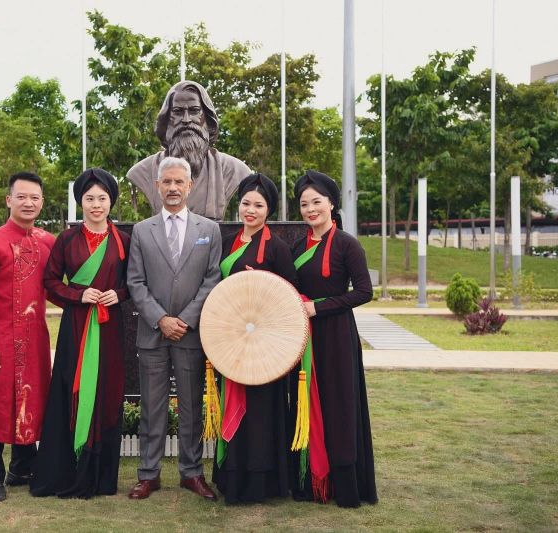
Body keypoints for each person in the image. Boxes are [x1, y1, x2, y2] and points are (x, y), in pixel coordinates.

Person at [30, 168, 130, 499]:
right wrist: (78, 295)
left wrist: (120, 294)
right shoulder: (67, 239)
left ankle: (100, 478)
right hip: (76, 329)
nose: (96, 205)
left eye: (102, 198)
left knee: (106, 392)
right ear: (80, 202)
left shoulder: (123, 241)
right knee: (70, 391)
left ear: (111, 202)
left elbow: (134, 283)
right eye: (89, 199)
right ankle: (67, 471)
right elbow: (50, 282)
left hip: (110, 330)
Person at [126, 156, 222, 500]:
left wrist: (186, 319)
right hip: (153, 334)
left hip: (191, 334)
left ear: (189, 185)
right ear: (157, 185)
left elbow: (212, 279)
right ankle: (148, 475)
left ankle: (191, 472)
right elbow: (135, 282)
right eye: (166, 182)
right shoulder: (142, 230)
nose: (172, 188)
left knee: (192, 406)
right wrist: (161, 319)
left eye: (179, 182)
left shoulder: (208, 231)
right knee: (152, 407)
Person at [290, 170, 377, 507]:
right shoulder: (297, 246)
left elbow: (364, 292)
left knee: (339, 406)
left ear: (331, 204)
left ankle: (344, 487)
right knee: (306, 403)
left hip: (337, 336)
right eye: (304, 204)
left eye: (317, 202)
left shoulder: (347, 244)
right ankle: (311, 482)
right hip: (304, 336)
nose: (311, 209)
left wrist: (319, 307)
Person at [211, 173, 298, 504]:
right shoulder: (228, 243)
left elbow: (290, 296)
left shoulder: (277, 248)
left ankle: (261, 482)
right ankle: (232, 477)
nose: (250, 210)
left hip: (265, 348)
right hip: (232, 343)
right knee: (232, 402)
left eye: (258, 205)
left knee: (261, 412)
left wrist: (262, 284)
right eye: (246, 203)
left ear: (269, 211)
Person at [0, 171, 56, 502]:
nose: (28, 203)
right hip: (1, 341)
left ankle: (22, 467)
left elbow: (55, 288)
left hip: (35, 340)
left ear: (42, 202)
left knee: (32, 401)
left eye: (35, 197)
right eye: (22, 197)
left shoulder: (48, 242)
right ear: (9, 200)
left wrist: (85, 300)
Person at [126, 80, 251, 221]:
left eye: (194, 111)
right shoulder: (143, 171)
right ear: (166, 120)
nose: (186, 120)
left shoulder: (233, 170)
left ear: (207, 118)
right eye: (177, 112)